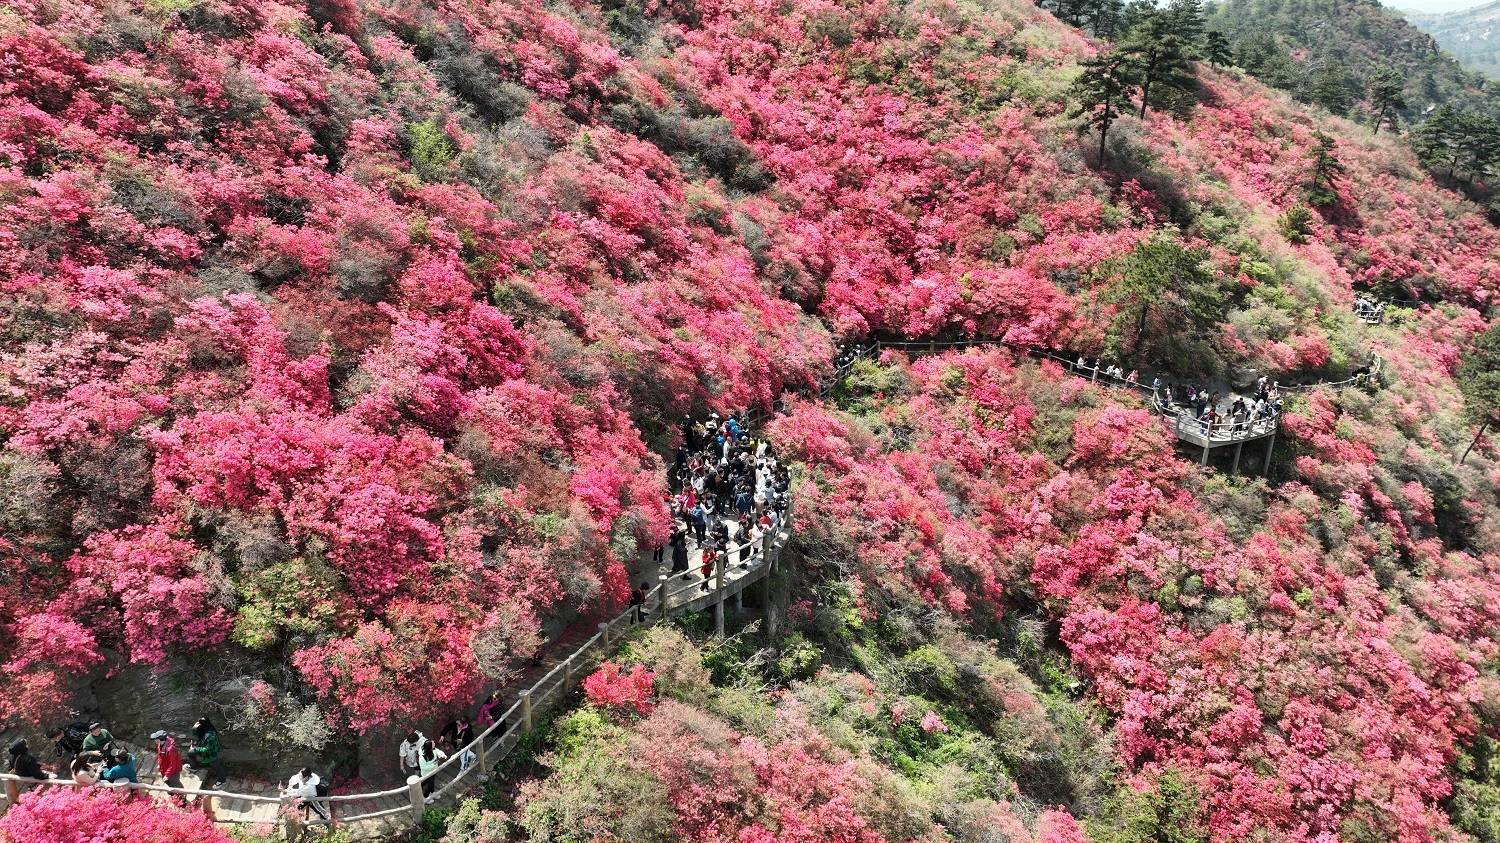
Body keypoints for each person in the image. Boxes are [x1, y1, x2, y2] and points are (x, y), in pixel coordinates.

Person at [187, 717, 226, 789]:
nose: (198, 724)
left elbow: (207, 749)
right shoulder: (204, 729)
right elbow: (196, 733)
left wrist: (195, 748)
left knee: (217, 767)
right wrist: (194, 727)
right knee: (190, 753)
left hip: (211, 754)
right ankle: (193, 767)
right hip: (204, 750)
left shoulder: (211, 736)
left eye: (199, 723)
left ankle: (222, 781)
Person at [150, 730, 186, 802]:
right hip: (164, 768)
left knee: (176, 784)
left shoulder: (170, 749)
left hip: (173, 772)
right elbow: (160, 755)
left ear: (160, 739)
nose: (154, 740)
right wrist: (159, 764)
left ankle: (183, 797)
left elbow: (173, 764)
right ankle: (172, 790)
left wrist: (167, 775)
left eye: (155, 739)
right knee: (167, 781)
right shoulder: (160, 744)